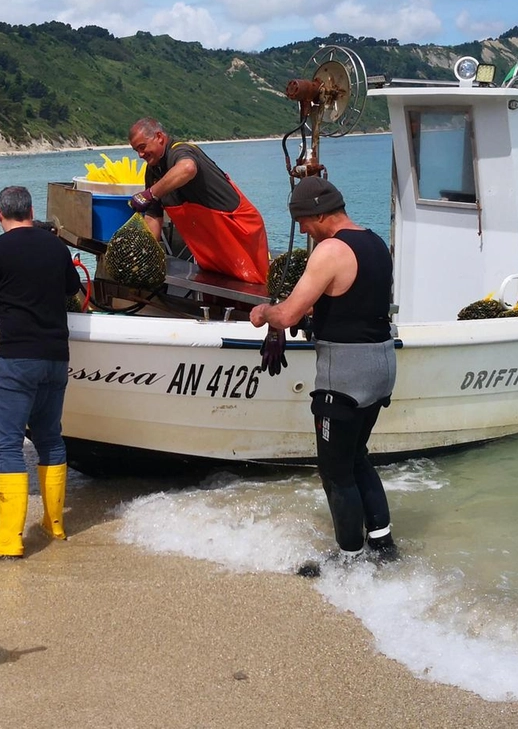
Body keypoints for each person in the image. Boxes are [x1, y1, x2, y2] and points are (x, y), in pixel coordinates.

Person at [249, 176, 398, 562]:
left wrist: (264, 313)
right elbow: (352, 298)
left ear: (317, 213)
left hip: (345, 375)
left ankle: (349, 558)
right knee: (357, 456)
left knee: (334, 471)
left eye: (302, 220)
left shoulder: (330, 250)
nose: (301, 229)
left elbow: (286, 314)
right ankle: (382, 544)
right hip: (381, 365)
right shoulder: (374, 243)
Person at [0, 185, 83, 558]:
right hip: (55, 359)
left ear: (0, 214)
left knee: (8, 446)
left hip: (16, 359)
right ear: (31, 211)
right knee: (51, 439)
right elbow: (73, 290)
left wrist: (7, 310)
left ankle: (8, 538)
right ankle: (55, 524)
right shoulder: (56, 247)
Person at [126, 118, 269, 285]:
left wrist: (150, 193)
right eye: (136, 150)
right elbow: (153, 216)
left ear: (159, 137)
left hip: (240, 236)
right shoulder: (153, 171)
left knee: (255, 288)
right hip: (210, 250)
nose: (140, 155)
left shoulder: (180, 151)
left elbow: (188, 168)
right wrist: (145, 256)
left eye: (142, 147)